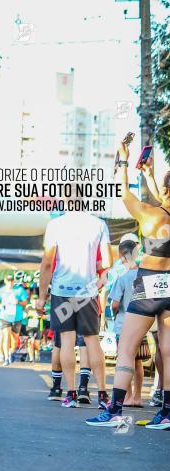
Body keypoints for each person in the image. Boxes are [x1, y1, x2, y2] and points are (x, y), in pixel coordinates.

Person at [87, 146, 170, 429]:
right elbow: (165, 199)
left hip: (148, 285)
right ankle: (167, 413)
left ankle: (113, 411)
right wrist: (150, 176)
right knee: (168, 352)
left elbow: (123, 191)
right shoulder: (161, 211)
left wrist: (122, 159)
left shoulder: (149, 214)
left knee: (126, 349)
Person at [36, 191, 109, 410]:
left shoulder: (55, 225)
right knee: (92, 341)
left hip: (62, 290)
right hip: (87, 292)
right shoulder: (98, 224)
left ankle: (70, 393)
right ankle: (103, 394)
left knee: (67, 341)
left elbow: (47, 263)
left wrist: (41, 298)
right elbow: (107, 262)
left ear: (65, 201)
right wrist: (97, 283)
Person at [107, 238, 149, 407]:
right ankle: (138, 397)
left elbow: (115, 303)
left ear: (123, 256)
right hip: (143, 323)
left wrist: (114, 311)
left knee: (125, 360)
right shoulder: (144, 276)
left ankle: (127, 397)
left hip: (124, 325)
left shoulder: (122, 277)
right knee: (138, 362)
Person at [0, 275, 27, 366]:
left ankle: (11, 352)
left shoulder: (19, 290)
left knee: (15, 338)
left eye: (11, 281)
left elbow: (25, 302)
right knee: (6, 336)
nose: (10, 282)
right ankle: (6, 358)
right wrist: (0, 305)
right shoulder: (1, 291)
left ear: (14, 281)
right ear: (5, 281)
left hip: (17, 318)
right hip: (5, 317)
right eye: (8, 280)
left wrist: (18, 302)